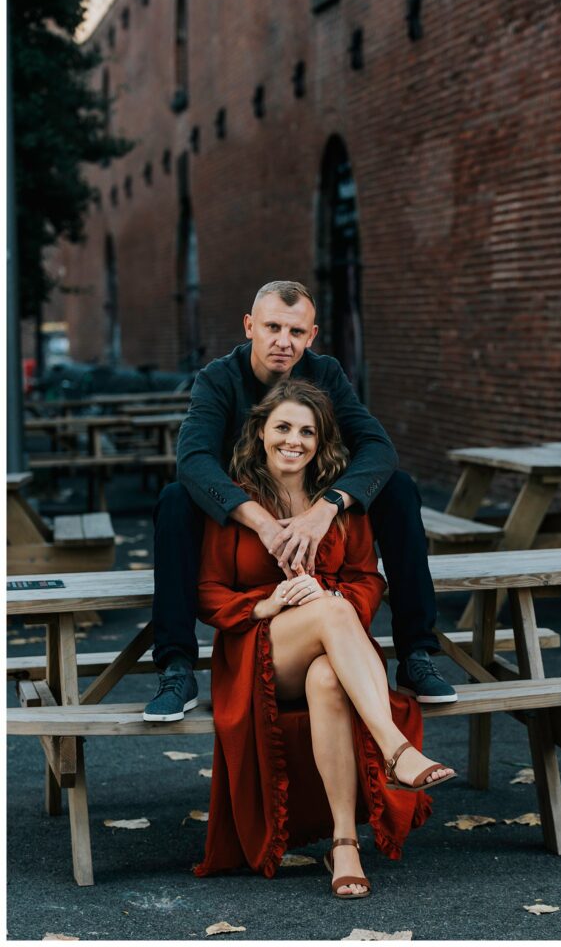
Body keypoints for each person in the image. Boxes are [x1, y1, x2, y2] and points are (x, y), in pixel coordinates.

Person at [144, 279, 457, 721]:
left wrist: (325, 510)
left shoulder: (325, 373)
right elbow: (193, 460)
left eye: (295, 332)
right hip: (239, 518)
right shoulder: (218, 378)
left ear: (311, 336)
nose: (282, 341)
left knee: (400, 488)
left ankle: (416, 654)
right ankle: (176, 667)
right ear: (250, 326)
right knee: (175, 500)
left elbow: (378, 447)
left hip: (309, 504)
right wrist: (263, 522)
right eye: (272, 327)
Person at [193, 379, 455, 896]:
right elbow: (207, 591)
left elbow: (367, 579)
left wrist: (327, 597)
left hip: (333, 650)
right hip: (259, 651)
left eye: (307, 431)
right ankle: (395, 749)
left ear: (322, 441)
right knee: (331, 610)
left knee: (329, 675)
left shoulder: (336, 504)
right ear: (261, 433)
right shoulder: (236, 501)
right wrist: (266, 604)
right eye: (284, 427)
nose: (295, 440)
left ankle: (344, 845)